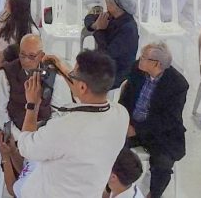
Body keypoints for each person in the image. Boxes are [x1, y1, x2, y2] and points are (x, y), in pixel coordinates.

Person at [10, 50, 130, 198]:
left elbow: (25, 147)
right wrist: (61, 68)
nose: (70, 74)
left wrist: (32, 105)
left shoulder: (64, 128)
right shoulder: (121, 115)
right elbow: (83, 91)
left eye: (73, 73)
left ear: (82, 87)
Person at [117, 42, 188, 198]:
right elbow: (125, 98)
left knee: (163, 164)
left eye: (144, 57)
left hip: (160, 132)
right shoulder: (137, 69)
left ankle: (154, 195)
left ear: (156, 64)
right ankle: (117, 189)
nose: (139, 59)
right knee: (114, 149)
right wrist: (125, 122)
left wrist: (139, 129)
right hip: (132, 124)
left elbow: (169, 119)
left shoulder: (178, 84)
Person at [84, 0, 139, 89]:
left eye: (109, 1)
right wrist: (95, 25)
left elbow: (107, 55)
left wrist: (100, 30)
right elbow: (89, 18)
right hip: (104, 63)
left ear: (116, 6)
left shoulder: (128, 30)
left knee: (84, 82)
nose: (106, 2)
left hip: (116, 72)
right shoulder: (112, 16)